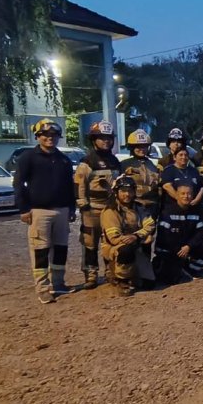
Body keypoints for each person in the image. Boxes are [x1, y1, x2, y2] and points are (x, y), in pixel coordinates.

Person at [13, 119, 76, 304]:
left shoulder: (64, 160)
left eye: (54, 135)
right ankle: (42, 288)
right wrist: (24, 209)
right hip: (39, 211)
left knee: (60, 250)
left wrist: (72, 209)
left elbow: (69, 186)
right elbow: (18, 184)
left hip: (62, 211)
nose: (50, 138)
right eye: (46, 135)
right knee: (40, 251)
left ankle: (58, 283)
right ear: (38, 136)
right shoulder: (28, 157)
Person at [75, 120, 122, 289]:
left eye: (109, 138)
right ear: (94, 139)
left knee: (110, 241)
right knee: (89, 243)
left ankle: (110, 272)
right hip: (92, 209)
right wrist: (84, 207)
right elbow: (79, 185)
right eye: (102, 138)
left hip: (110, 209)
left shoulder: (115, 161)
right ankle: (91, 275)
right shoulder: (87, 161)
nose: (106, 141)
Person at [100, 176, 156, 296]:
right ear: (116, 192)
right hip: (116, 248)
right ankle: (121, 280)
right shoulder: (110, 211)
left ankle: (135, 275)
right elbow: (114, 239)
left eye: (130, 191)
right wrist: (140, 238)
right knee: (127, 248)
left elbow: (150, 225)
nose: (127, 194)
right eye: (123, 191)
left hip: (136, 244)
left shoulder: (139, 207)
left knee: (149, 284)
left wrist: (136, 236)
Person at [153, 182, 203, 284]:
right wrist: (179, 250)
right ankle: (175, 269)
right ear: (176, 195)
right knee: (169, 280)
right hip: (169, 250)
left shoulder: (197, 212)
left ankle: (193, 271)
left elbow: (200, 233)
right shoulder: (167, 213)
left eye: (189, 194)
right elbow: (165, 237)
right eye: (182, 194)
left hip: (185, 248)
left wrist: (189, 246)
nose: (186, 196)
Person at [121, 129, 161, 216]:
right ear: (132, 148)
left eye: (145, 146)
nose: (142, 149)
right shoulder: (124, 165)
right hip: (133, 206)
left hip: (152, 207)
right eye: (138, 146)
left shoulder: (152, 164)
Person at [161, 145, 203, 212]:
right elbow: (167, 186)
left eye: (186, 155)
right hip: (173, 208)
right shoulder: (169, 170)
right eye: (181, 155)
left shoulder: (194, 170)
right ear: (174, 157)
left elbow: (201, 186)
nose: (183, 157)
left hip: (192, 208)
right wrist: (180, 200)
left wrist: (197, 199)